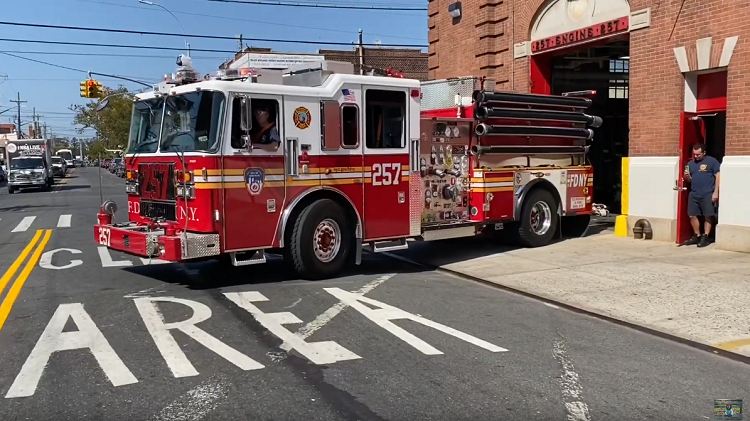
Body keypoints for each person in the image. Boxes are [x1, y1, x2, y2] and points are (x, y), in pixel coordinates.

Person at [680, 143, 720, 247]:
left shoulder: (712, 161)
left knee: (708, 215)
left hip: (707, 193)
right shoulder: (691, 164)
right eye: (694, 154)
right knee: (692, 214)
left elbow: (718, 176)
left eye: (698, 154)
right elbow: (689, 180)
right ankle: (697, 235)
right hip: (694, 193)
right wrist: (686, 176)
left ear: (704, 152)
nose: (696, 156)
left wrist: (716, 192)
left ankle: (705, 236)